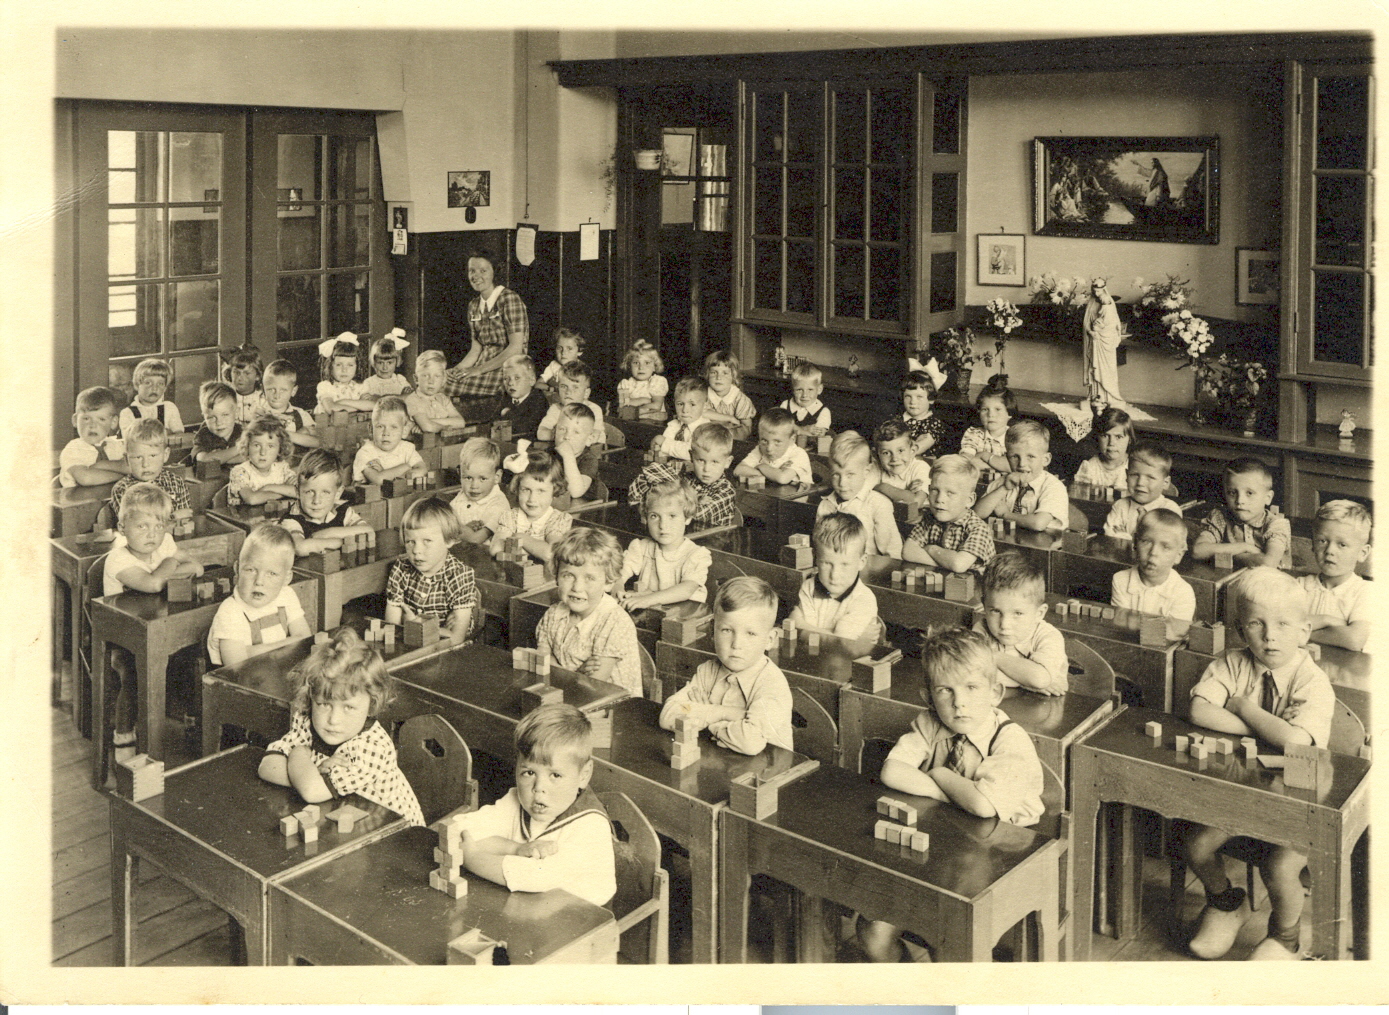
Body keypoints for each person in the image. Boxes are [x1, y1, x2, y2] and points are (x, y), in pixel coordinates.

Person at [857, 626, 1043, 963]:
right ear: (928, 697)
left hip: (1004, 858)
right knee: (872, 930)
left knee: (950, 932)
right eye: (946, 690)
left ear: (995, 692)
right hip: (946, 846)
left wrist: (938, 774)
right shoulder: (929, 723)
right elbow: (892, 770)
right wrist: (951, 794)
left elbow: (984, 806)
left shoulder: (1009, 740)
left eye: (972, 687)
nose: (959, 703)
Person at [1182, 568, 1335, 961]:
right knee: (1196, 844)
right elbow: (1199, 709)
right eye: (1257, 623)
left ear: (1305, 631)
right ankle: (1227, 903)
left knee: (1279, 865)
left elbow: (1296, 741)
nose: (1270, 635)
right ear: (1239, 629)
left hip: (1300, 798)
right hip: (1242, 791)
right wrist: (1262, 730)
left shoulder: (1311, 680)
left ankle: (1285, 939)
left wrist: (1242, 706)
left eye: (1284, 624)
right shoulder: (1233, 662)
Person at [439, 703, 616, 907]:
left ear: (583, 775)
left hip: (586, 927)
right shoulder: (516, 802)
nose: (538, 787)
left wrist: (472, 857)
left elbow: (536, 876)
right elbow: (457, 829)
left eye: (555, 775)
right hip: (530, 912)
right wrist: (516, 849)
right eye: (529, 772)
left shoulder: (591, 826)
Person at [258, 627, 424, 825]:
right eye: (324, 704)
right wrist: (313, 773)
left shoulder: (372, 747)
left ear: (371, 705)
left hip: (397, 835)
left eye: (349, 708)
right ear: (311, 698)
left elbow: (311, 791)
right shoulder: (307, 719)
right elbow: (267, 767)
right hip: (347, 822)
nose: (333, 720)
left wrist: (299, 754)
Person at [102, 483, 205, 761]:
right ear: (123, 527)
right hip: (123, 641)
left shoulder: (165, 545)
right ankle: (123, 734)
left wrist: (171, 561)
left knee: (195, 655)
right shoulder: (117, 558)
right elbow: (151, 583)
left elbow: (196, 567)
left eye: (159, 527)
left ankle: (192, 723)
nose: (152, 535)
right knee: (133, 675)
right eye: (142, 527)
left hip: (160, 629)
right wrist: (171, 564)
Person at [659, 575, 793, 753]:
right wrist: (723, 713)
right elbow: (669, 714)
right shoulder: (708, 671)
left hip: (769, 773)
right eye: (727, 630)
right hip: (722, 762)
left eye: (750, 634)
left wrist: (704, 716)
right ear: (712, 630)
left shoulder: (771, 685)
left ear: (770, 639)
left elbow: (750, 742)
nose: (736, 644)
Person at [536, 527, 642, 698]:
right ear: (556, 576)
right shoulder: (553, 614)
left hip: (609, 708)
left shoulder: (615, 622)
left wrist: (567, 674)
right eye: (568, 575)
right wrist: (579, 673)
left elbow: (593, 686)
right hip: (568, 696)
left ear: (608, 583)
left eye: (589, 578)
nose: (577, 587)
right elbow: (543, 660)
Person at [206, 523, 312, 667]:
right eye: (250, 570)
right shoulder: (230, 611)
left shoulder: (286, 595)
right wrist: (289, 642)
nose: (259, 581)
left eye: (272, 574)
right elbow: (236, 664)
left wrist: (251, 651)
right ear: (237, 569)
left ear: (286, 578)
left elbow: (305, 639)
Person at [973, 551, 1068, 696]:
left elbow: (1039, 678)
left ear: (1039, 613)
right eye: (996, 611)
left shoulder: (1049, 636)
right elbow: (970, 672)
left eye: (1017, 614)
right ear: (984, 606)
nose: (1004, 624)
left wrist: (993, 656)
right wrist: (1027, 682)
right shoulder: (982, 629)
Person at [384, 496, 476, 643]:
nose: (417, 550)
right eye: (410, 542)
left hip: (444, 646)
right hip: (411, 638)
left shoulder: (459, 575)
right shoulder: (401, 568)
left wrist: (417, 626)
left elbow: (457, 638)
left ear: (449, 540)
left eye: (427, 541)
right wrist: (407, 627)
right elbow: (391, 629)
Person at [444, 248, 529, 403]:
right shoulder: (474, 305)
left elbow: (516, 348)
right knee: (441, 380)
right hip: (480, 368)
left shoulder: (509, 299)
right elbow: (476, 350)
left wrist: (477, 370)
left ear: (494, 272)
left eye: (483, 270)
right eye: (472, 271)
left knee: (443, 388)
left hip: (507, 369)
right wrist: (457, 370)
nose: (476, 276)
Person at [614, 479, 712, 611]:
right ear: (646, 518)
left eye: (672, 516)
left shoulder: (696, 554)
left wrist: (647, 600)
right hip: (652, 613)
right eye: (654, 516)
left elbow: (687, 589)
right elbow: (618, 574)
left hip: (685, 619)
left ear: (688, 518)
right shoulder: (641, 547)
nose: (663, 525)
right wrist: (618, 590)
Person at [628, 422, 739, 531]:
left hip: (709, 545)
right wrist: (694, 500)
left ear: (727, 462)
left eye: (714, 462)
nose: (706, 469)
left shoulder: (726, 492)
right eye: (701, 460)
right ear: (691, 456)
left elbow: (692, 515)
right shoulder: (686, 478)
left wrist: (675, 498)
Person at [790, 513, 883, 642]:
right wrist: (836, 635)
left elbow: (839, 644)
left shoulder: (864, 599)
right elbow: (801, 633)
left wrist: (800, 623)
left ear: (862, 562)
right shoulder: (809, 586)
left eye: (845, 565)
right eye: (827, 563)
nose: (834, 575)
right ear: (815, 557)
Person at [1298, 499, 1371, 651]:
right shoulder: (1300, 585)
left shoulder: (1365, 592)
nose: (1330, 550)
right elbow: (1280, 624)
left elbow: (1354, 640)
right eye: (1322, 541)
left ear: (1362, 553)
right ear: (1312, 544)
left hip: (1343, 671)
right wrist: (1327, 620)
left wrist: (1301, 633)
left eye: (1342, 544)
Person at [903, 454, 995, 575]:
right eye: (935, 490)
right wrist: (945, 565)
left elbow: (958, 564)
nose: (940, 499)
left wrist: (931, 548)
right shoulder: (929, 519)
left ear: (970, 500)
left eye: (950, 493)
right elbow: (908, 552)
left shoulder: (978, 529)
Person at [1191, 458, 1290, 568]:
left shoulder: (1277, 524)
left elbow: (1268, 564)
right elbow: (1197, 551)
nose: (1239, 501)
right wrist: (1244, 547)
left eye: (1249, 493)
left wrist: (1227, 555)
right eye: (1232, 492)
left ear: (1268, 498)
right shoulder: (1220, 517)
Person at [975, 421, 1069, 533]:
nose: (1022, 464)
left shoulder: (1054, 487)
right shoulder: (1003, 482)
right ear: (1007, 458)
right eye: (1015, 456)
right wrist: (1004, 488)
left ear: (1046, 459)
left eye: (1030, 456)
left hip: (1044, 546)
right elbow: (977, 514)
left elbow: (1038, 523)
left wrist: (1005, 514)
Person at [816, 434, 901, 557]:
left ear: (866, 471)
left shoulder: (878, 505)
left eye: (850, 475)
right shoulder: (825, 505)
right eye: (836, 474)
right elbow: (821, 549)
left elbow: (893, 555)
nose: (842, 483)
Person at [279, 449, 373, 555]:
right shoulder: (291, 519)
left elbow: (368, 530)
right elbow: (300, 548)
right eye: (310, 492)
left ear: (338, 493)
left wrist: (328, 533)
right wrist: (343, 542)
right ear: (298, 492)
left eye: (325, 492)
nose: (316, 501)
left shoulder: (343, 510)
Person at [1110, 508, 1196, 622]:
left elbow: (1173, 635)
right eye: (1146, 541)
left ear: (1179, 555)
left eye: (1165, 547)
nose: (1153, 552)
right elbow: (1121, 625)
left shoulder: (1183, 592)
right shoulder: (1121, 580)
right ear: (1135, 543)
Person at [489, 449, 574, 564]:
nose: (532, 499)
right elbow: (495, 549)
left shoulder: (556, 520)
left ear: (554, 491)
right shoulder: (511, 517)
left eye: (541, 491)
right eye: (526, 490)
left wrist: (521, 538)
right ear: (517, 489)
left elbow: (551, 554)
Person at [108, 418, 190, 518]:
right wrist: (173, 517)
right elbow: (133, 525)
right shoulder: (122, 490)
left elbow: (185, 520)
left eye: (153, 456)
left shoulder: (177, 483)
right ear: (126, 459)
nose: (145, 464)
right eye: (138, 457)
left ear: (166, 455)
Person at [1102, 443, 1183, 539]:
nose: (1140, 483)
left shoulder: (1170, 510)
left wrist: (1126, 537)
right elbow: (1111, 538)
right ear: (1127, 475)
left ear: (1165, 482)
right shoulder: (1120, 506)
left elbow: (1159, 544)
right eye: (1135, 475)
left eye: (1150, 477)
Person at [59, 386, 127, 488]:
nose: (93, 425)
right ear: (75, 420)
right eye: (86, 418)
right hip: (79, 502)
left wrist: (102, 465)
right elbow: (86, 478)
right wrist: (123, 476)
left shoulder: (116, 446)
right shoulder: (73, 449)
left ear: (113, 422)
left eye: (101, 419)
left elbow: (130, 467)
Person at [449, 437, 511, 545]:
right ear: (459, 473)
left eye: (482, 479)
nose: (474, 486)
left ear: (497, 477)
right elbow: (444, 524)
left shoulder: (499, 505)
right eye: (468, 478)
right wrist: (465, 528)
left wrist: (457, 529)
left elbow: (476, 539)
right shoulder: (462, 496)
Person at [352, 396, 425, 486]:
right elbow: (378, 480)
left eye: (394, 427)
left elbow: (422, 470)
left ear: (404, 431)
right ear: (371, 429)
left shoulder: (407, 448)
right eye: (380, 426)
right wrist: (405, 467)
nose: (386, 433)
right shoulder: (365, 453)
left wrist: (385, 472)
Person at [227, 415, 297, 507]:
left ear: (280, 449)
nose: (263, 452)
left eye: (270, 446)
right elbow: (252, 499)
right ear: (247, 446)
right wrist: (284, 490)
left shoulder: (282, 468)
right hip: (242, 519)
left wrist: (268, 488)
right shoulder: (240, 472)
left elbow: (299, 491)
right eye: (257, 445)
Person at [734, 407, 813, 486]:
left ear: (792, 439)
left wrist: (760, 466)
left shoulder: (799, 454)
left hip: (798, 497)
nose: (769, 448)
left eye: (777, 442)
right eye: (764, 440)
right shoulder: (759, 449)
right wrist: (773, 474)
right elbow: (738, 470)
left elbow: (782, 478)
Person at [536, 359, 606, 448]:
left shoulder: (594, 409)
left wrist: (562, 435)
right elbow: (541, 434)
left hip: (587, 454)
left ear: (586, 393)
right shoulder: (556, 408)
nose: (568, 392)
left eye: (575, 387)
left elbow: (595, 435)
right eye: (564, 386)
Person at [1082, 278, 1126, 410]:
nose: (1097, 293)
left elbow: (1113, 323)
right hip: (1095, 341)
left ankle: (1110, 397)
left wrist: (1100, 330)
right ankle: (1095, 396)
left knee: (1107, 369)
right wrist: (1091, 331)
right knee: (1094, 368)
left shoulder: (1108, 305)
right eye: (1095, 290)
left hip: (1105, 342)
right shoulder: (1092, 303)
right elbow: (1086, 323)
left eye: (1100, 290)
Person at [256, 359, 320, 449]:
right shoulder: (260, 415)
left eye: (283, 390)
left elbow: (318, 442)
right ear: (263, 389)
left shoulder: (301, 415)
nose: (277, 395)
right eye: (271, 389)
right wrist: (300, 435)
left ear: (293, 391)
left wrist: (287, 435)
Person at [117, 357, 184, 440]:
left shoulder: (169, 408)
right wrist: (165, 432)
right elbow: (129, 439)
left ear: (165, 388)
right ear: (137, 385)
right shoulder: (127, 413)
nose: (154, 388)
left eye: (160, 383)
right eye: (148, 383)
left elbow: (179, 434)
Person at [651, 376, 714, 462]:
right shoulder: (673, 425)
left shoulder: (706, 429)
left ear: (705, 405)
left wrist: (664, 442)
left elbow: (692, 452)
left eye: (692, 404)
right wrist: (657, 450)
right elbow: (663, 450)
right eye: (680, 404)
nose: (685, 410)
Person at [872, 418, 932, 509]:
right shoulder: (877, 467)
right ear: (877, 455)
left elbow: (916, 502)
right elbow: (864, 493)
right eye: (886, 453)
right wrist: (907, 494)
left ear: (912, 450)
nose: (894, 458)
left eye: (900, 451)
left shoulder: (920, 468)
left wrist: (882, 487)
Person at [404, 350, 468, 433]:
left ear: (443, 379)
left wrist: (425, 422)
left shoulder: (443, 399)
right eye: (426, 375)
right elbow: (427, 427)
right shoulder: (413, 400)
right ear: (416, 379)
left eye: (437, 376)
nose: (431, 381)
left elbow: (461, 422)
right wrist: (446, 427)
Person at [959, 381, 1015, 474]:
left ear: (1009, 413)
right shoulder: (974, 434)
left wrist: (984, 457)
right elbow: (967, 461)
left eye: (998, 409)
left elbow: (1014, 466)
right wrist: (1000, 466)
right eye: (985, 409)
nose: (991, 415)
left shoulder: (1015, 437)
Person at [1074, 406, 1133, 494]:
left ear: (1129, 440)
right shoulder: (1090, 468)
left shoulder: (1133, 465)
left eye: (1118, 437)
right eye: (1105, 436)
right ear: (1097, 438)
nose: (1111, 443)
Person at [702, 350, 756, 440]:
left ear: (733, 376)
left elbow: (747, 428)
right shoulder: (703, 394)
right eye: (714, 372)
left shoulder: (740, 399)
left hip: (732, 439)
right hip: (707, 437)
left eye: (725, 373)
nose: (718, 377)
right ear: (707, 374)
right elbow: (699, 412)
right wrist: (729, 418)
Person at [315, 333, 374, 414]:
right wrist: (360, 408)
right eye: (339, 365)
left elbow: (372, 406)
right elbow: (331, 408)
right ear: (330, 366)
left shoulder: (360, 386)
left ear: (357, 366)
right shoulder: (326, 386)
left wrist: (342, 402)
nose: (344, 370)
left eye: (350, 365)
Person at [493, 354, 549, 441]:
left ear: (532, 380)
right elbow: (493, 421)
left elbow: (526, 427)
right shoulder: (506, 396)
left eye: (517, 378)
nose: (510, 383)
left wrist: (506, 413)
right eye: (506, 378)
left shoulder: (538, 399)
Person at [191, 382, 245, 467]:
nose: (219, 422)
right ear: (204, 417)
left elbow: (252, 457)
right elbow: (204, 459)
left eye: (225, 415)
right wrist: (238, 449)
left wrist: (221, 458)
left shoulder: (244, 432)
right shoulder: (204, 435)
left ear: (237, 412)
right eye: (211, 417)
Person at [617, 340, 670, 420]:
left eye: (647, 363)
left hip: (654, 423)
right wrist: (646, 400)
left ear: (654, 366)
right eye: (636, 363)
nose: (641, 367)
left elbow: (656, 406)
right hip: (630, 422)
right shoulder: (625, 384)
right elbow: (622, 407)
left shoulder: (657, 381)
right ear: (629, 366)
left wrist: (632, 407)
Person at [898, 370, 946, 457]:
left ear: (931, 399)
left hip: (923, 464)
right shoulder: (897, 419)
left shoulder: (934, 424)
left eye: (919, 397)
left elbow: (918, 448)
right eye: (908, 396)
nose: (913, 402)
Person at [779, 361, 831, 437]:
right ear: (793, 389)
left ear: (819, 389)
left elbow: (818, 435)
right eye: (799, 390)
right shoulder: (785, 405)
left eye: (810, 390)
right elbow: (779, 429)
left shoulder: (823, 411)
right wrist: (804, 429)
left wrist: (795, 429)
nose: (805, 395)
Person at [361, 329, 413, 399]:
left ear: (397, 362)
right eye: (380, 363)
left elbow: (411, 397)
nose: (385, 367)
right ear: (374, 362)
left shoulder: (400, 380)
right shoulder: (369, 383)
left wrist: (407, 392)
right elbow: (364, 400)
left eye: (389, 363)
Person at [222, 344, 264, 426]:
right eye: (236, 372)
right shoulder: (225, 396)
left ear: (257, 376)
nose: (240, 378)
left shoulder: (263, 398)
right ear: (229, 373)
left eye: (247, 373)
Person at [539, 326, 583, 394]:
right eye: (559, 348)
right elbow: (538, 384)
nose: (563, 352)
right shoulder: (553, 365)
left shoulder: (581, 368)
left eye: (569, 348)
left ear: (580, 351)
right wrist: (552, 389)